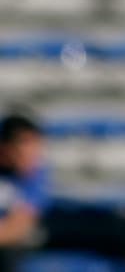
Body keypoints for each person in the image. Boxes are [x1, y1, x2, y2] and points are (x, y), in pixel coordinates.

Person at [0, 111, 51, 272]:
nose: (33, 154)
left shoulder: (36, 175)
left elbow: (20, 225)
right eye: (26, 145)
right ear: (5, 147)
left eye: (36, 145)